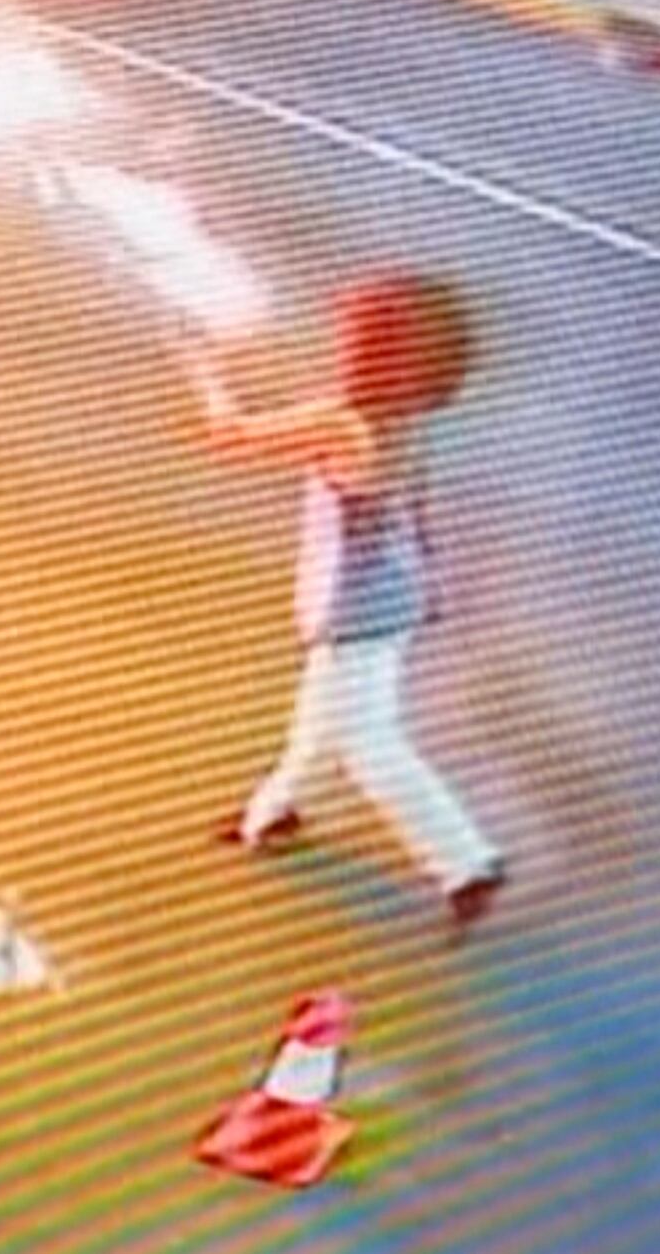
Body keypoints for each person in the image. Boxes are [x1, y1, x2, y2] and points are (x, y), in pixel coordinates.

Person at [207, 270, 506, 936]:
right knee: (322, 723)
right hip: (392, 590)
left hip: (356, 604)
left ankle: (466, 865)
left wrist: (204, 371)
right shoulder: (403, 412)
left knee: (366, 742)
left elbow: (229, 439)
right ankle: (272, 816)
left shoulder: (341, 422)